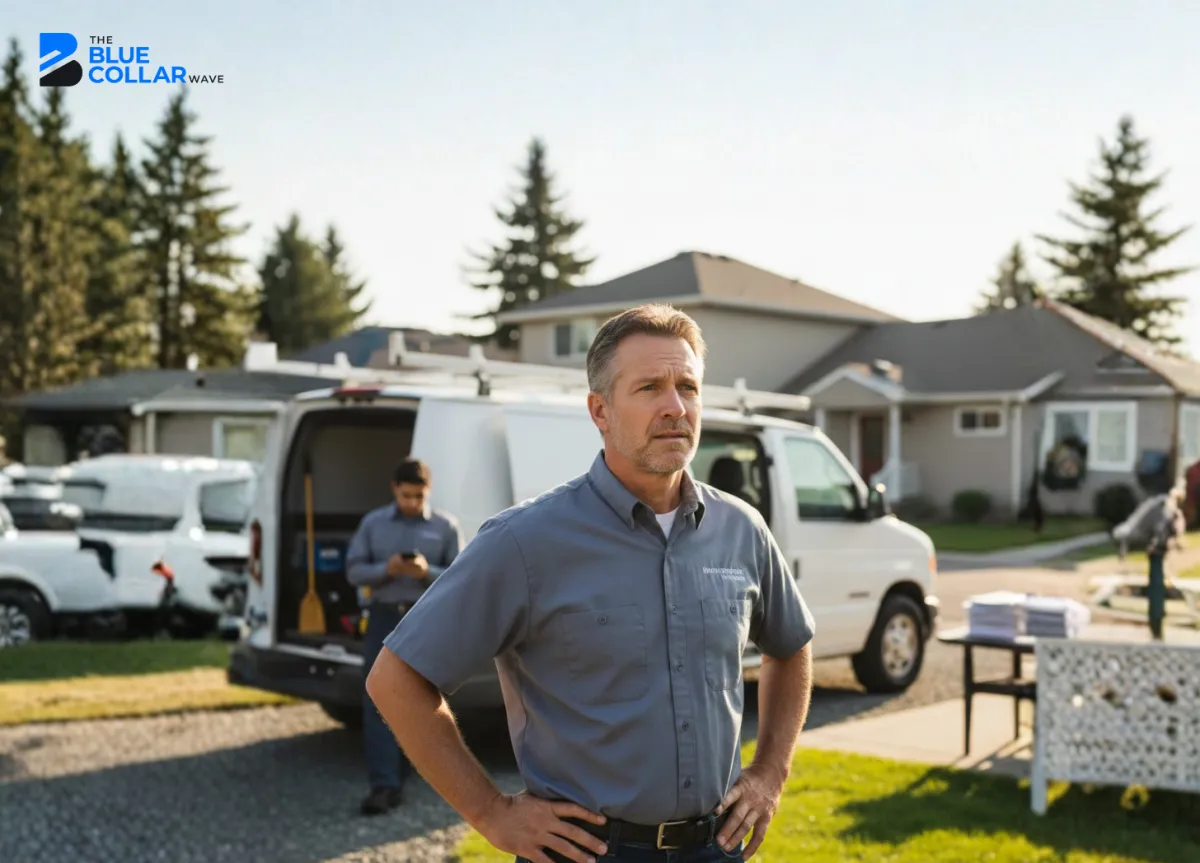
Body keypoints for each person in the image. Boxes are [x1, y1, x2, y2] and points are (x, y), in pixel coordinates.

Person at [366, 304, 816, 862]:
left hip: (714, 849)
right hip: (586, 854)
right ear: (599, 410)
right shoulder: (524, 541)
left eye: (688, 387)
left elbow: (791, 647)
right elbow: (396, 679)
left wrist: (771, 772)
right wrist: (490, 813)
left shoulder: (741, 530)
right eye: (650, 387)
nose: (675, 407)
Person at [346, 457, 463, 816]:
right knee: (378, 699)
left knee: (424, 701)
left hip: (424, 620)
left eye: (419, 496)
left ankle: (430, 776)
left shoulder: (445, 526)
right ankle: (384, 785)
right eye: (406, 495)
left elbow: (463, 577)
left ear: (428, 491)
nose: (412, 502)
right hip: (383, 618)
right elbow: (353, 571)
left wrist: (427, 573)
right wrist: (387, 569)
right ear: (394, 489)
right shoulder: (373, 524)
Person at [1145, 482, 1187, 640]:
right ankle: (1156, 623)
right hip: (1159, 552)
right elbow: (1174, 533)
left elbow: (1167, 532)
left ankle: (1156, 623)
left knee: (1156, 587)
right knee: (1157, 587)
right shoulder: (1173, 514)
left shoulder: (1171, 513)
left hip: (1158, 553)